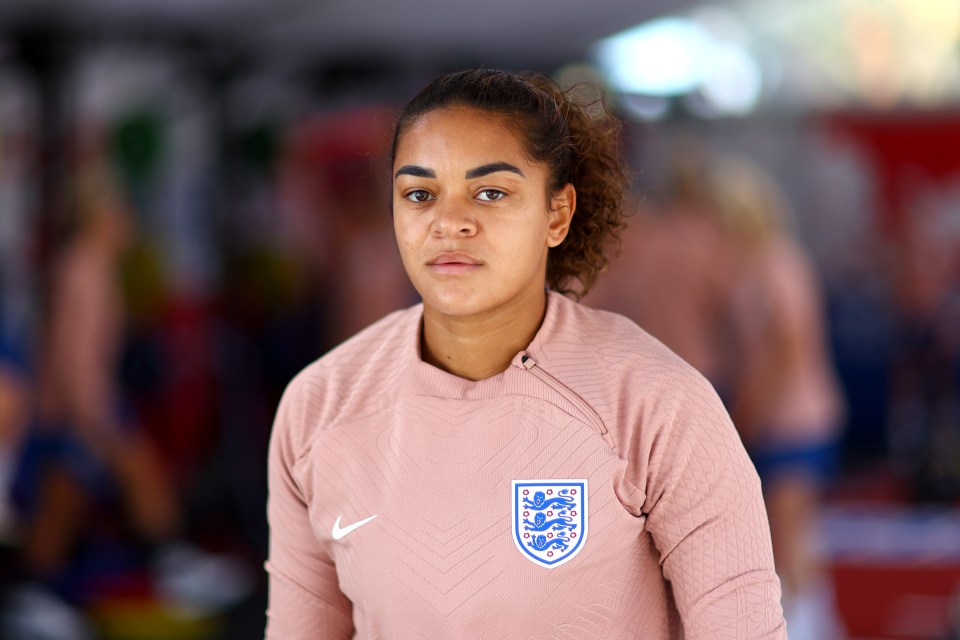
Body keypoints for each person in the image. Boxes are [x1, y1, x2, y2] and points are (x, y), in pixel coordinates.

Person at [265, 69, 786, 639]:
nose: (449, 223)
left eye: (491, 192)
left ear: (557, 214)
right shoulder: (318, 407)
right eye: (419, 194)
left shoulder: (657, 404)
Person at [710, 155, 846, 640]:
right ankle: (809, 619)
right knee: (782, 529)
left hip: (793, 416)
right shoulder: (755, 264)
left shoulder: (777, 263)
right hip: (776, 412)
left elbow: (787, 348)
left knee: (791, 531)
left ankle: (810, 625)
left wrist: (752, 409)